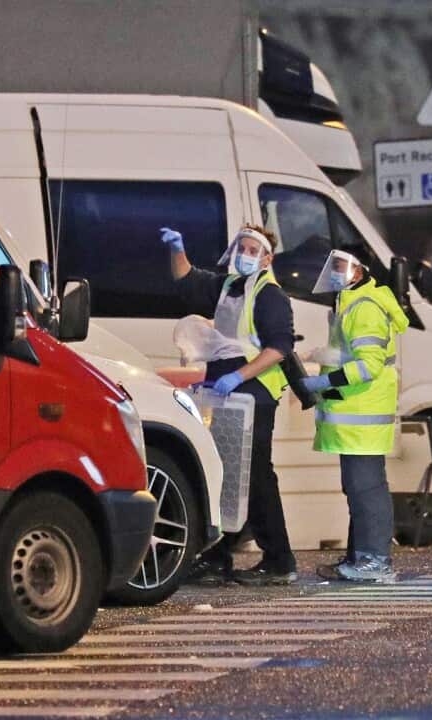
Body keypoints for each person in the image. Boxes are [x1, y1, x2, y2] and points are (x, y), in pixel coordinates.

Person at [161, 224, 298, 586]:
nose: (245, 254)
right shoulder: (228, 286)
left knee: (255, 476)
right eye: (242, 247)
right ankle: (216, 556)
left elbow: (279, 347)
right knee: (223, 473)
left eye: (254, 250)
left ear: (267, 258)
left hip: (254, 394)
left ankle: (279, 559)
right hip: (225, 396)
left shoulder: (270, 295)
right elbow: (187, 279)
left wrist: (238, 375)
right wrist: (178, 247)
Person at [300, 250, 408, 583]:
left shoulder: (365, 308)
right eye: (332, 267)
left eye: (342, 267)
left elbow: (368, 365)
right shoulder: (352, 303)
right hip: (355, 412)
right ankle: (360, 557)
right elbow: (352, 356)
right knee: (360, 488)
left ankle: (374, 560)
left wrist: (323, 381)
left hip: (363, 413)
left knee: (366, 488)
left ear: (360, 271)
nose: (335, 273)